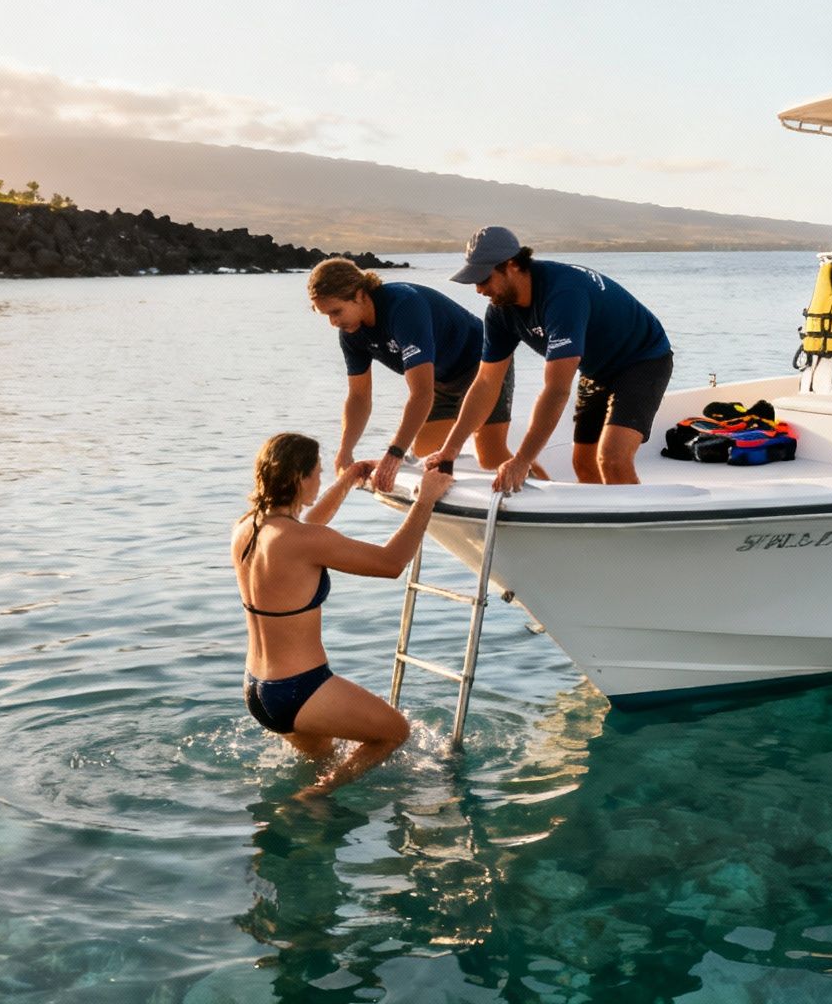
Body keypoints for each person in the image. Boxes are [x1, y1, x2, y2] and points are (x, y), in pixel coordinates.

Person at [232, 432, 453, 796]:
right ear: (299, 478)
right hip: (298, 689)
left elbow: (308, 529)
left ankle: (313, 816)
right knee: (395, 732)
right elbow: (391, 563)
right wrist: (426, 498)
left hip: (258, 691)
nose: (320, 479)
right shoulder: (303, 541)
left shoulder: (247, 528)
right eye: (317, 472)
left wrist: (348, 479)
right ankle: (315, 797)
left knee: (326, 756)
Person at [427, 226, 673, 494]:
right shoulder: (500, 313)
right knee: (584, 464)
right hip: (596, 369)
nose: (478, 289)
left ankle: (634, 531)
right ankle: (597, 531)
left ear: (511, 266)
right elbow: (486, 383)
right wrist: (448, 451)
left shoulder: (563, 295)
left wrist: (522, 461)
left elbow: (556, 390)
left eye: (484, 279)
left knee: (612, 459)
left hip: (643, 359)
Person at [307, 258, 543, 494]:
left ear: (359, 295)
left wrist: (394, 453)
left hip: (482, 366)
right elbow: (358, 397)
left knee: (490, 455)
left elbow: (421, 393)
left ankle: (552, 491)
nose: (333, 322)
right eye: (326, 315)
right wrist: (345, 451)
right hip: (441, 380)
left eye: (336, 312)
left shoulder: (403, 307)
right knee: (423, 453)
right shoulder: (350, 334)